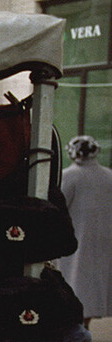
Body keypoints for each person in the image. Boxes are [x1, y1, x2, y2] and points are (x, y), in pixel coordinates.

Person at [55, 135, 112, 326]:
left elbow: (59, 204)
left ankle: (77, 321)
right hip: (104, 236)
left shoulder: (69, 175)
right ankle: (86, 320)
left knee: (76, 277)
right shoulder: (109, 176)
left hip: (77, 234)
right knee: (96, 279)